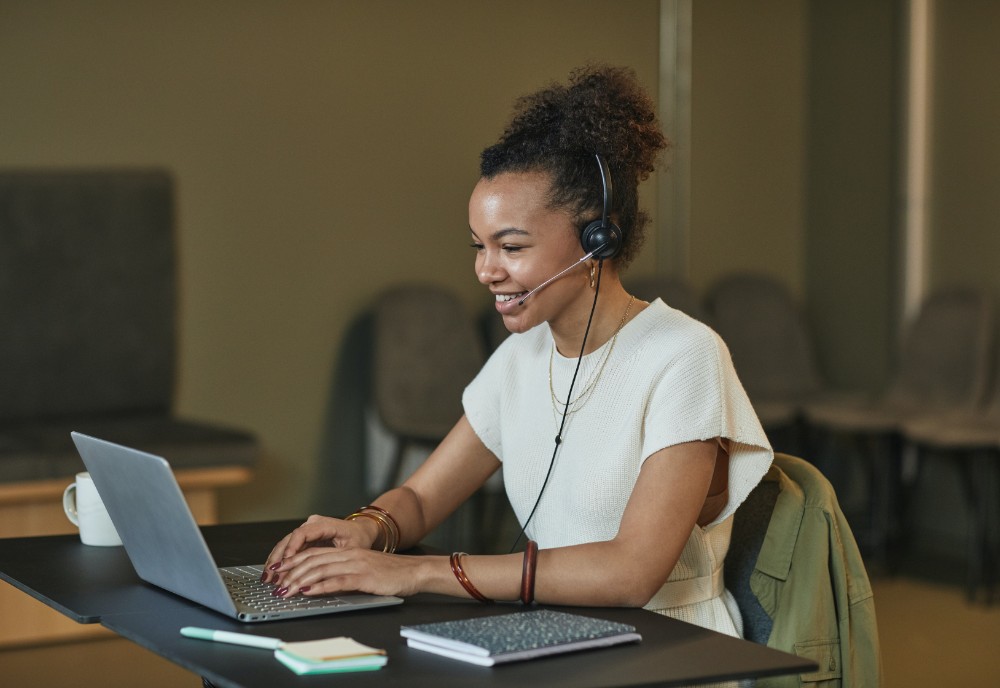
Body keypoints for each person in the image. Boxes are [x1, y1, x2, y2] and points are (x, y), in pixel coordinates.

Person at [262, 64, 772, 637]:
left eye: (511, 246)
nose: (485, 270)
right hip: (553, 634)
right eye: (480, 246)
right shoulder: (520, 357)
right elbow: (421, 499)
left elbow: (631, 574)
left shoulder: (684, 356)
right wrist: (366, 530)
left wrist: (415, 573)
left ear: (598, 238)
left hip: (669, 645)